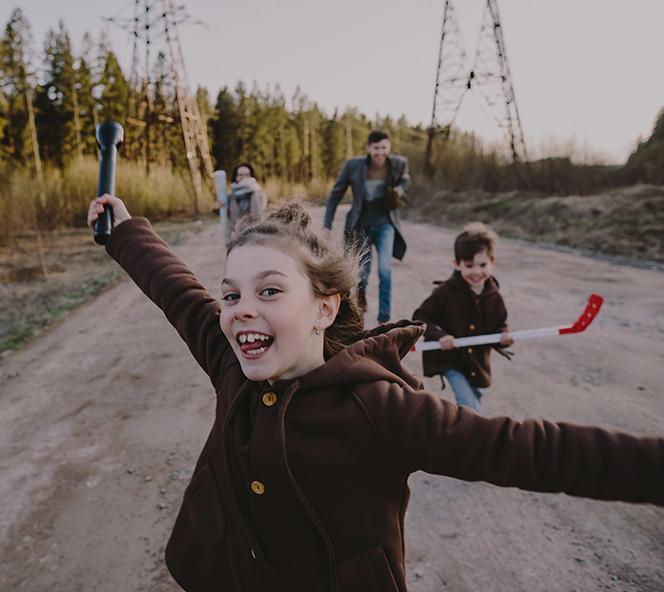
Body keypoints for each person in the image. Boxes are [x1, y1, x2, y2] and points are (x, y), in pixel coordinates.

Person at [87, 196, 664, 592]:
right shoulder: (231, 363)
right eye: (232, 295)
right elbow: (177, 291)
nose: (241, 312)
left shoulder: (379, 408)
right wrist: (126, 230)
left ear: (325, 307)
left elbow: (523, 449)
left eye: (269, 290)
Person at [413, 222, 513, 412]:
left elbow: (499, 326)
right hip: (452, 359)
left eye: (482, 265)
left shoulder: (495, 297)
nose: (476, 272)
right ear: (457, 264)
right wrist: (440, 335)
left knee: (475, 400)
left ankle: (474, 431)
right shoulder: (445, 292)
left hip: (477, 362)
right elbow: (421, 316)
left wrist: (504, 338)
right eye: (469, 266)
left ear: (492, 261)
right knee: (469, 407)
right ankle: (473, 436)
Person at [323, 130, 410, 324]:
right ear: (369, 148)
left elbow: (405, 179)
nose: (380, 152)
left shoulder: (397, 164)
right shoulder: (353, 166)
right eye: (376, 148)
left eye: (384, 148)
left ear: (389, 148)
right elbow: (335, 195)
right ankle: (360, 305)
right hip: (360, 224)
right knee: (362, 272)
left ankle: (384, 316)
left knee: (385, 269)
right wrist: (327, 225)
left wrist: (399, 189)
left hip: (385, 224)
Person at [228, 162, 268, 233]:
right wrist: (218, 208)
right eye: (240, 175)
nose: (244, 177)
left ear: (252, 176)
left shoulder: (258, 193)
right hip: (233, 236)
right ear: (236, 177)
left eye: (247, 175)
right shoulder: (231, 196)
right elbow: (226, 215)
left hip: (253, 236)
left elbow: (258, 217)